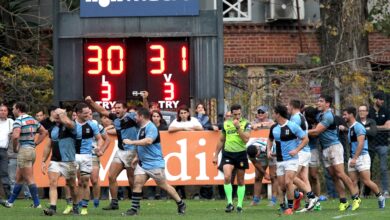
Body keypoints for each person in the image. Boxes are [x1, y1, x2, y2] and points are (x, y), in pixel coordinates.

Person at [122, 107, 186, 216]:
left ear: (141, 116)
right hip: (143, 163)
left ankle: (180, 203)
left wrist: (131, 142)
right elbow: (142, 145)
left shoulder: (151, 127)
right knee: (137, 184)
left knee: (163, 185)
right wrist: (137, 157)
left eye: (136, 116)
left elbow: (148, 141)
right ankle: (134, 209)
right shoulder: (141, 127)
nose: (135, 118)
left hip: (154, 163)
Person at [308, 95, 361, 211]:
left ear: (328, 104)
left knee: (341, 173)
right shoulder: (319, 115)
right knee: (334, 176)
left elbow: (316, 131)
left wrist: (300, 132)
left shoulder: (328, 116)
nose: (318, 103)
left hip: (334, 147)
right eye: (318, 101)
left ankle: (356, 197)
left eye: (321, 101)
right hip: (325, 149)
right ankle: (343, 201)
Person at [85, 96, 138, 210]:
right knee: (111, 176)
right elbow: (102, 111)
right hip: (121, 151)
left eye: (119, 107)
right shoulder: (115, 118)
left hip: (132, 151)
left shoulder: (132, 117)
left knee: (131, 180)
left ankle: (135, 204)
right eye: (115, 108)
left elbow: (146, 112)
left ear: (125, 109)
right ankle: (114, 203)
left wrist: (145, 99)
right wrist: (91, 102)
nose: (116, 110)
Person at [1, 102, 47, 208]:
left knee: (29, 178)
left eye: (13, 108)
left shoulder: (18, 121)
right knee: (19, 178)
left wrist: (16, 147)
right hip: (31, 151)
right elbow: (44, 132)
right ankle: (10, 202)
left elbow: (16, 136)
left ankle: (37, 204)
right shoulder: (32, 119)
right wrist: (35, 143)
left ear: (18, 109)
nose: (12, 110)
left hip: (24, 151)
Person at [266, 105, 309, 215]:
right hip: (280, 160)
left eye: (274, 112)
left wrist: (296, 150)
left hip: (292, 159)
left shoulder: (292, 126)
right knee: (282, 186)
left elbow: (305, 139)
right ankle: (289, 201)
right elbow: (270, 139)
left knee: (288, 181)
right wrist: (268, 150)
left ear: (278, 114)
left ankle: (290, 207)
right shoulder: (274, 128)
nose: (273, 115)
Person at [342, 106, 385, 209]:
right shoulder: (351, 127)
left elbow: (361, 143)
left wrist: (355, 158)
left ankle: (380, 197)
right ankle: (356, 201)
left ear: (351, 115)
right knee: (353, 182)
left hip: (362, 157)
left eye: (345, 114)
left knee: (366, 181)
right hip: (353, 158)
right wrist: (352, 158)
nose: (343, 117)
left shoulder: (358, 127)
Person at [212, 104, 250, 213]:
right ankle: (229, 203)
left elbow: (246, 139)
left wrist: (238, 127)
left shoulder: (246, 123)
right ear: (231, 114)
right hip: (228, 153)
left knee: (241, 180)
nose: (237, 116)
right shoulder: (226, 124)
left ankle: (239, 205)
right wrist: (215, 155)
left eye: (239, 114)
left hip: (241, 154)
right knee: (227, 176)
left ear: (241, 113)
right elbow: (221, 140)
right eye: (235, 114)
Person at [41, 108, 80, 216]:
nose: (56, 115)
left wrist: (62, 113)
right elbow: (49, 145)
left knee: (72, 185)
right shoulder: (52, 128)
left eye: (58, 114)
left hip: (69, 161)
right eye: (55, 113)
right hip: (55, 161)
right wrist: (43, 160)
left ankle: (75, 206)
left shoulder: (71, 125)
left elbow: (67, 122)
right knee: (53, 182)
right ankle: (52, 208)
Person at [73, 103, 104, 215]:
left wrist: (98, 147)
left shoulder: (93, 125)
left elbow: (100, 139)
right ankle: (74, 205)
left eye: (88, 113)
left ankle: (84, 208)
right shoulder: (71, 125)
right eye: (85, 113)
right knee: (75, 182)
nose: (88, 115)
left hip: (87, 156)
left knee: (86, 181)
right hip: (73, 156)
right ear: (78, 114)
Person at [287, 100, 318, 211]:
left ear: (292, 106)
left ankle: (312, 196)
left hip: (300, 151)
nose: (287, 107)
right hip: (305, 150)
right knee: (304, 178)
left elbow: (292, 134)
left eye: (288, 105)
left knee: (290, 178)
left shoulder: (295, 118)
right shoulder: (300, 116)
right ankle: (313, 204)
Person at [168, 105, 203, 199]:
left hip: (193, 150)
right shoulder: (176, 121)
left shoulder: (194, 120)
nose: (183, 115)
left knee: (194, 171)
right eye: (181, 113)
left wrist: (192, 128)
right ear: (179, 114)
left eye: (185, 113)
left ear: (188, 113)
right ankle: (178, 193)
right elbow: (170, 129)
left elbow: (201, 128)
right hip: (179, 151)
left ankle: (196, 193)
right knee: (178, 171)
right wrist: (183, 129)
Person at [249, 105, 274, 206]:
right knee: (258, 176)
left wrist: (260, 125)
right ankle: (256, 199)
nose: (260, 114)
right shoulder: (253, 122)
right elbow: (251, 126)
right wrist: (258, 125)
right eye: (258, 112)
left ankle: (274, 200)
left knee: (274, 176)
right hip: (258, 150)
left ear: (267, 113)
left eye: (262, 112)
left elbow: (272, 125)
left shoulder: (271, 121)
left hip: (271, 150)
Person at [368, 91, 390, 197]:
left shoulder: (386, 111)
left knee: (383, 168)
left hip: (383, 143)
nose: (382, 101)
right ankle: (367, 192)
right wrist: (380, 127)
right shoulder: (368, 111)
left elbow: (388, 126)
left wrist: (373, 128)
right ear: (375, 99)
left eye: (383, 99)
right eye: (380, 99)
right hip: (370, 143)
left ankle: (385, 190)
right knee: (368, 168)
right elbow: (364, 127)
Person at [145, 110, 168, 200]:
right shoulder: (147, 127)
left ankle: (164, 194)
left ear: (160, 118)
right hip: (149, 153)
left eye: (157, 116)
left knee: (161, 175)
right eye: (154, 116)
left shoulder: (164, 127)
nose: (156, 118)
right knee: (150, 174)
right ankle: (151, 193)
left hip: (160, 153)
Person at [357, 104, 378, 197]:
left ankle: (367, 193)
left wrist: (361, 131)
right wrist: (366, 130)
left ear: (367, 112)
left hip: (370, 150)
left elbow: (373, 133)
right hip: (357, 150)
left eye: (363, 110)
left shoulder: (371, 121)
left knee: (368, 171)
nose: (361, 112)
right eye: (360, 110)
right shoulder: (356, 122)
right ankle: (356, 193)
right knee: (357, 171)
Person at [304, 106, 322, 202]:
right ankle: (308, 199)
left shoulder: (317, 122)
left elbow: (316, 133)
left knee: (314, 176)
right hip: (303, 150)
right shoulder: (303, 122)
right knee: (305, 177)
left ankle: (317, 198)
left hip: (313, 149)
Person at [0, 104, 12, 200]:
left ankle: (9, 196)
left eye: (5, 110)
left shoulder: (10, 122)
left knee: (4, 173)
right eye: (1, 110)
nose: (3, 112)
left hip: (4, 150)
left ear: (7, 112)